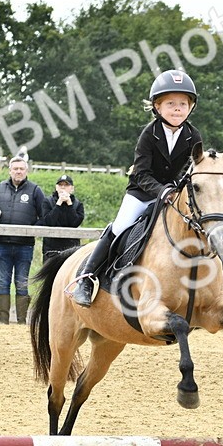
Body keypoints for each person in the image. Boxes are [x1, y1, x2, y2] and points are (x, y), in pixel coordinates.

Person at [70, 69, 203, 307]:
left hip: (173, 197)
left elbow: (190, 169)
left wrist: (177, 190)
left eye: (183, 104)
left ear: (190, 107)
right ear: (157, 106)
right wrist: (162, 191)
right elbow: (141, 173)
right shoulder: (149, 134)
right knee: (120, 226)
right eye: (170, 103)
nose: (177, 109)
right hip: (141, 194)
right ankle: (86, 279)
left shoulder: (193, 136)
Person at [0, 154, 49, 323]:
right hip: (2, 245)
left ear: (26, 170)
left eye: (21, 169)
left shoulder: (35, 190)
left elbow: (44, 216)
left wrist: (32, 230)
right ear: (9, 171)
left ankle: (21, 321)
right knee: (3, 282)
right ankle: (3, 321)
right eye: (15, 169)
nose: (18, 172)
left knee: (22, 283)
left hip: (25, 246)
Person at [39, 174, 85, 260]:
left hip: (71, 248)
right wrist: (58, 204)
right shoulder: (47, 202)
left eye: (66, 185)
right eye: (60, 185)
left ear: (72, 188)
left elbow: (75, 223)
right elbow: (48, 222)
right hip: (51, 248)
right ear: (56, 187)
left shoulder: (78, 204)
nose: (63, 187)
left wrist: (69, 204)